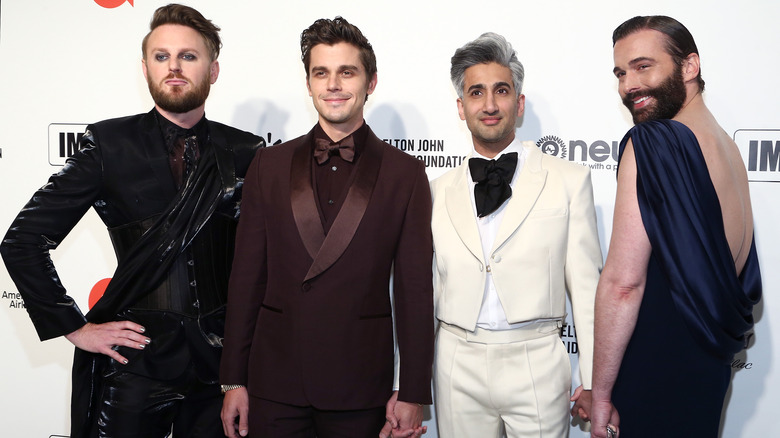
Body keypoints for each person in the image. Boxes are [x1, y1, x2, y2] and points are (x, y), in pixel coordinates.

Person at [0, 4, 265, 437]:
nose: (174, 67)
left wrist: (245, 368)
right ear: (145, 68)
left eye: (189, 56)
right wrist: (75, 327)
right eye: (162, 57)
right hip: (134, 363)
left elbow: (263, 265)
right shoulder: (109, 144)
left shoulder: (247, 151)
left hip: (221, 367)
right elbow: (23, 240)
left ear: (213, 70)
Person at [218, 16, 434, 438]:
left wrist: (411, 392)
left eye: (346, 72)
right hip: (275, 381)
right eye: (322, 72)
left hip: (359, 384)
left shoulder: (405, 174)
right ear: (309, 83)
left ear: (370, 82)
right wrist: (233, 379)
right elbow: (246, 279)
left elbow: (414, 290)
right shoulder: (269, 165)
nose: (333, 84)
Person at [590, 15, 762, 438]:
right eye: (620, 72)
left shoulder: (655, 143)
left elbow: (623, 284)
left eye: (643, 66)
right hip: (706, 365)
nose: (628, 84)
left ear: (689, 67)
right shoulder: (726, 145)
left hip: (657, 361)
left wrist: (600, 396)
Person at [427, 32, 602, 437]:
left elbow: (588, 291)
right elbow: (423, 292)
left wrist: (594, 381)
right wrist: (408, 379)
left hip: (537, 359)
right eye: (476, 93)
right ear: (461, 106)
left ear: (518, 103)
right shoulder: (435, 190)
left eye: (501, 91)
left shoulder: (568, 181)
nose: (489, 105)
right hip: (456, 361)